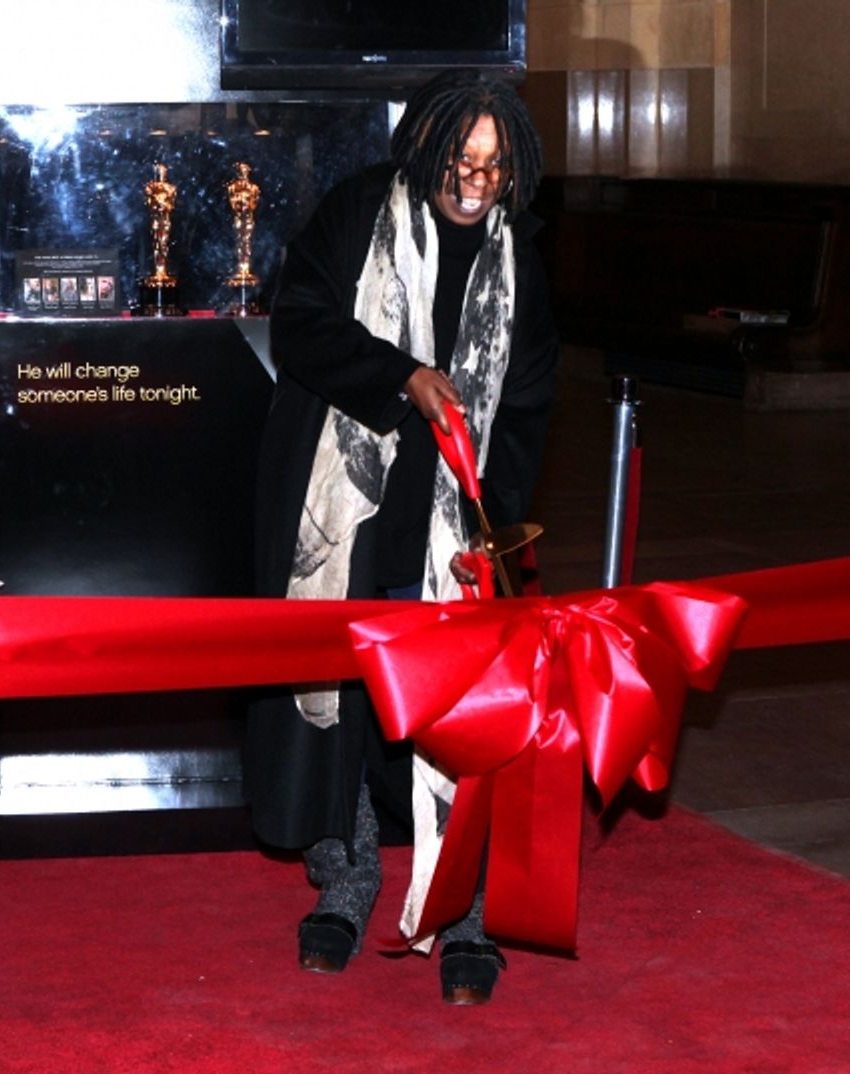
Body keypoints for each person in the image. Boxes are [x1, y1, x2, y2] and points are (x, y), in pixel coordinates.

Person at [242, 70, 558, 1003]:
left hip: (455, 518)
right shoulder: (354, 214)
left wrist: (492, 520)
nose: (476, 179)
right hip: (347, 499)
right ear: (426, 149)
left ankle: (465, 908)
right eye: (463, 158)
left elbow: (531, 397)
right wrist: (402, 375)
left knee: (458, 705)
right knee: (342, 690)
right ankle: (347, 879)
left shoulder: (521, 257)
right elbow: (299, 328)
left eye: (496, 166)